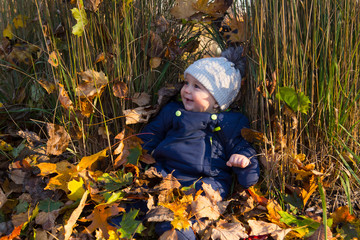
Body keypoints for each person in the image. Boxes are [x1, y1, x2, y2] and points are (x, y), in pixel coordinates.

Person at [138, 46, 260, 239]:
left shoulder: (230, 123)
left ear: (217, 101)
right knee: (139, 203)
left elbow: (243, 149)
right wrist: (139, 155)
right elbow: (150, 135)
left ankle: (181, 231)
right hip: (166, 174)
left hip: (206, 183)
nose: (186, 90)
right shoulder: (173, 111)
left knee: (193, 212)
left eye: (197, 87)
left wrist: (244, 162)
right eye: (187, 83)